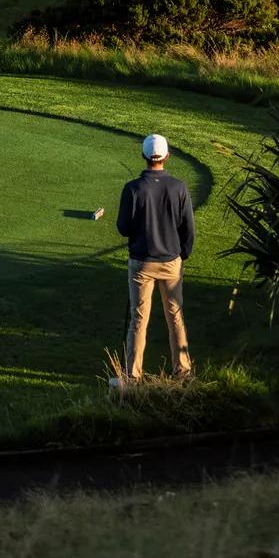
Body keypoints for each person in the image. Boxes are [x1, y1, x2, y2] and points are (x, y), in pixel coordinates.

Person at [115, 133, 195, 382]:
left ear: (144, 156)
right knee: (176, 316)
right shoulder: (179, 187)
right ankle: (183, 372)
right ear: (167, 156)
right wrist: (183, 255)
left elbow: (123, 228)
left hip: (141, 263)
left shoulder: (132, 189)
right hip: (171, 261)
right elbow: (188, 229)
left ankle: (132, 376)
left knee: (139, 320)